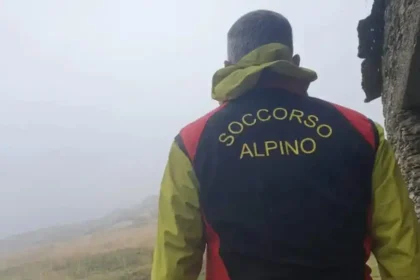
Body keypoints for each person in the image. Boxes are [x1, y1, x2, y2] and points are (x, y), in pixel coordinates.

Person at [151, 10, 420, 280]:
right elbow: (401, 246)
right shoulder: (361, 131)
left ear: (228, 64)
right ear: (294, 61)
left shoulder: (193, 142)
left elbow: (175, 255)